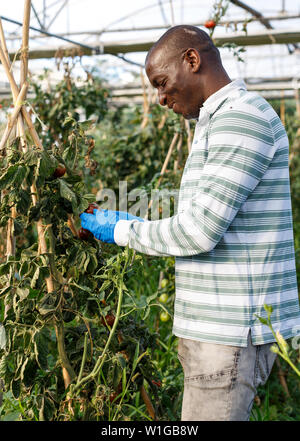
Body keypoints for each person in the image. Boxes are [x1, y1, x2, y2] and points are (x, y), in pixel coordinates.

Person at [80, 25, 300, 421]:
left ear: (192, 60)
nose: (161, 98)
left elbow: (198, 231)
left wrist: (122, 230)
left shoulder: (240, 119)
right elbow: (203, 219)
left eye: (162, 84)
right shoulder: (214, 122)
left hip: (228, 334)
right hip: (217, 330)